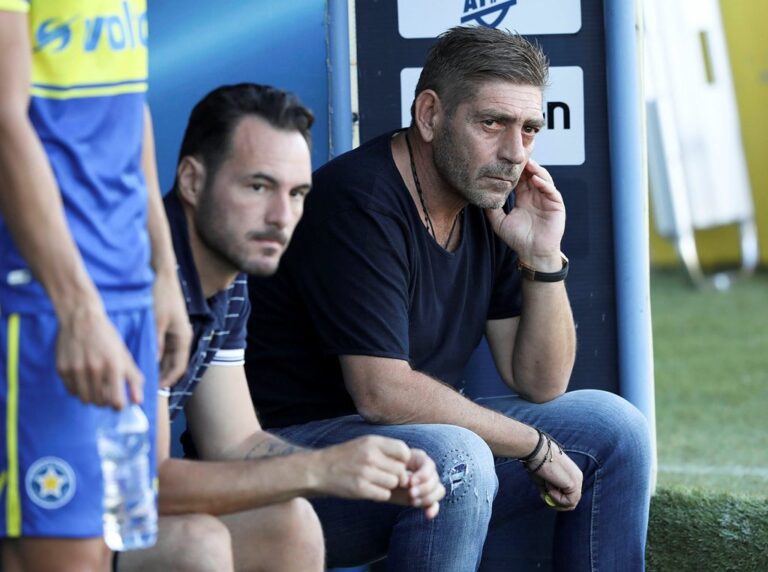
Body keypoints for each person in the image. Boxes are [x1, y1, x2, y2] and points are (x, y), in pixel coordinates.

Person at [245, 26, 653, 571]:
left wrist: (541, 257)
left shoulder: (486, 198)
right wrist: (534, 446)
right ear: (430, 115)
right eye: (492, 123)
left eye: (530, 129)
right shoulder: (359, 201)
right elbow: (382, 394)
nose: (514, 153)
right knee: (458, 457)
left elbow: (540, 381)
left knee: (614, 427)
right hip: (287, 474)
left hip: (409, 454)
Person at [117, 83, 446, 572]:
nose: (281, 217)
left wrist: (365, 464)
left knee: (289, 523)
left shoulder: (228, 278)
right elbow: (140, 486)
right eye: (258, 187)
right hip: (39, 512)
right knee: (197, 543)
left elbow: (234, 442)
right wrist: (318, 469)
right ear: (191, 181)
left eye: (296, 194)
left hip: (101, 516)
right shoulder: (142, 281)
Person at [0, 2, 191, 571]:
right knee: (66, 554)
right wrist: (78, 310)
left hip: (124, 290)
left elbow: (129, 108)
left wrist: (163, 271)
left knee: (105, 544)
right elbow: (4, 118)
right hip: (43, 297)